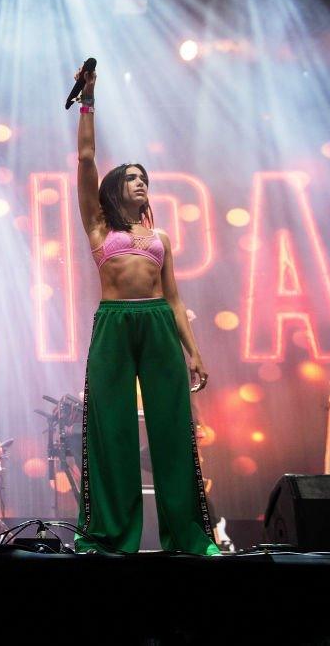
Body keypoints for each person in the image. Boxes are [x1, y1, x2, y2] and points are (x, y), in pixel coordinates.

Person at [71, 64, 218, 555]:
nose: (140, 184)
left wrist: (193, 352)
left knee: (174, 431)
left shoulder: (160, 238)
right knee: (110, 429)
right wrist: (89, 100)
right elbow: (86, 157)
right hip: (114, 324)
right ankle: (111, 538)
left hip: (157, 322)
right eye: (132, 178)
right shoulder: (98, 228)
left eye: (144, 179)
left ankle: (190, 539)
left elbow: (174, 297)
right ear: (114, 189)